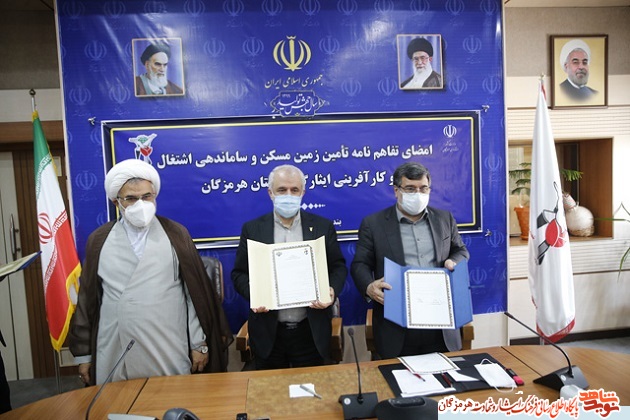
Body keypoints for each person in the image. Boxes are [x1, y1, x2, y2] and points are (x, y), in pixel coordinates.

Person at [69, 159, 232, 386]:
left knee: (173, 399)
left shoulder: (176, 234)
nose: (140, 204)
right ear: (116, 201)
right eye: (131, 198)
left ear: (154, 196)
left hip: (168, 345)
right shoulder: (99, 240)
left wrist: (199, 344)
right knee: (118, 403)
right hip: (115, 345)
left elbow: (194, 296)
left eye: (146, 196)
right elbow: (88, 300)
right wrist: (84, 355)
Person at [231, 164, 347, 370]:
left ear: (303, 192)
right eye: (282, 190)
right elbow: (239, 274)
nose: (289, 195)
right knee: (271, 388)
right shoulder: (253, 229)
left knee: (312, 386)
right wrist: (256, 295)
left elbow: (338, 267)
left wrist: (331, 290)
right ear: (270, 193)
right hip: (269, 332)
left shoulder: (322, 227)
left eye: (294, 190)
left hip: (310, 331)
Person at [351, 162, 469, 359]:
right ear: (396, 190)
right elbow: (360, 264)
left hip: (440, 323)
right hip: (397, 326)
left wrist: (453, 262)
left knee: (444, 375)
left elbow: (461, 251)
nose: (418, 194)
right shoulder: (373, 224)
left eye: (423, 188)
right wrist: (369, 286)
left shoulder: (444, 218)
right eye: (410, 189)